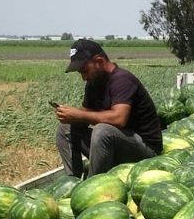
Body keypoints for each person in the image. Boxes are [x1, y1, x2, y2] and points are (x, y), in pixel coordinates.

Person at [54, 39, 162, 177]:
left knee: (102, 131)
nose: (83, 77)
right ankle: (72, 182)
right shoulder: (93, 83)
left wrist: (80, 114)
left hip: (145, 151)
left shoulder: (122, 80)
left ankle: (92, 186)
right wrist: (71, 115)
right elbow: (88, 115)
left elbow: (119, 119)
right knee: (66, 129)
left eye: (85, 70)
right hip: (116, 146)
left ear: (99, 61)